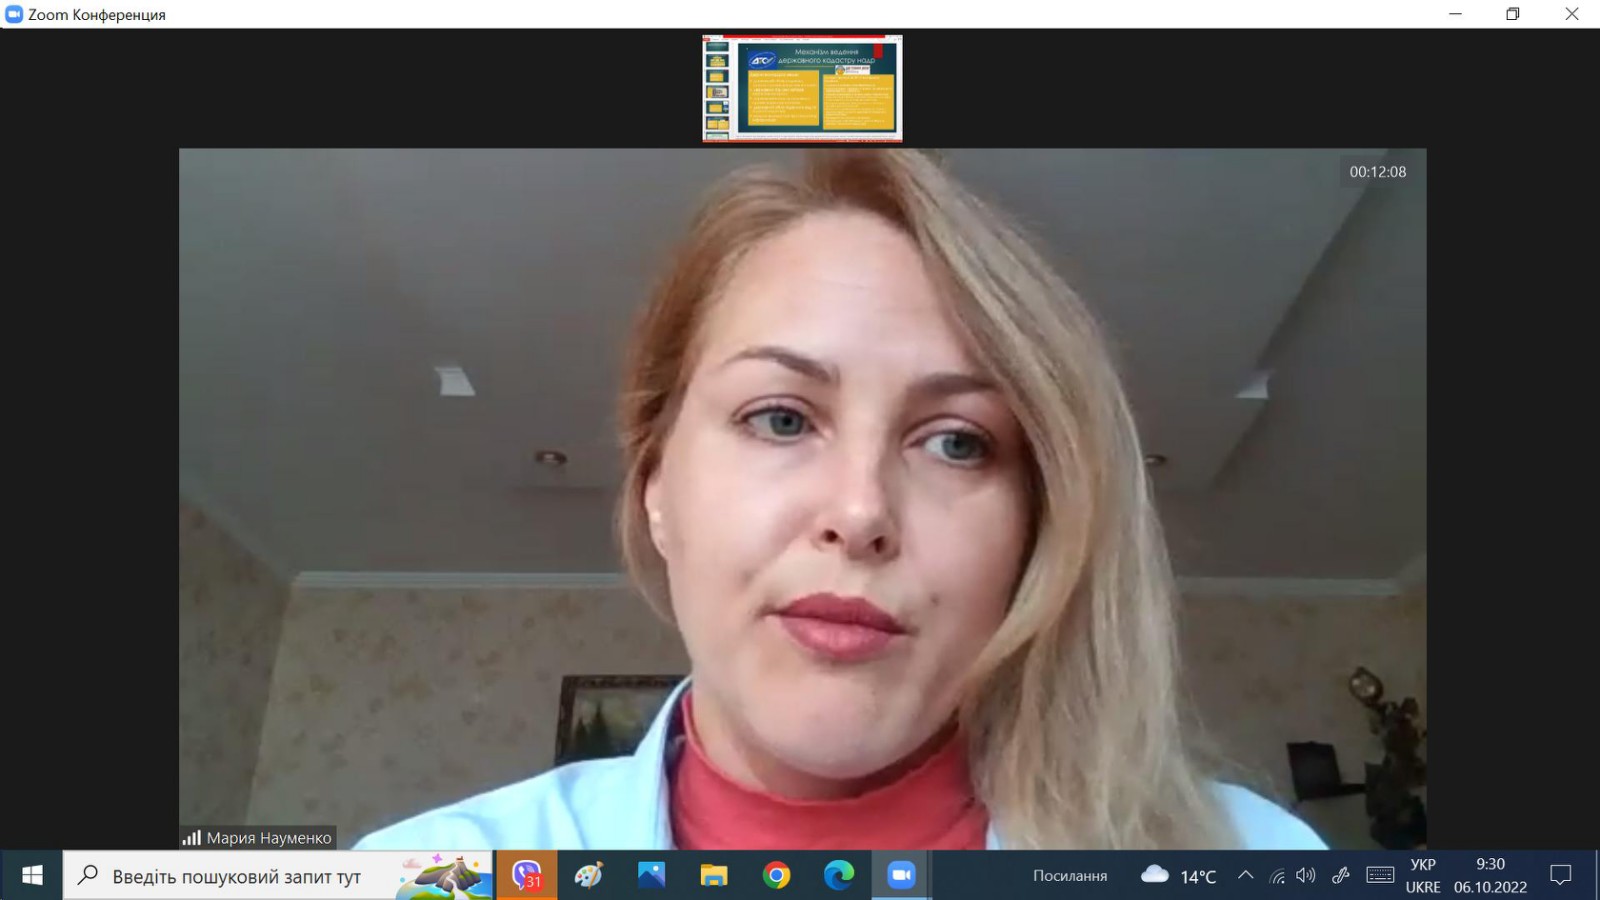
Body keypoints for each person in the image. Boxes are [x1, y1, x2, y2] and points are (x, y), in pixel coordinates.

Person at [355, 149, 1326, 851]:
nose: (860, 513)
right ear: (657, 491)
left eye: (956, 442)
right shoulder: (427, 875)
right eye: (780, 419)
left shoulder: (1252, 861)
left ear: (1035, 531)